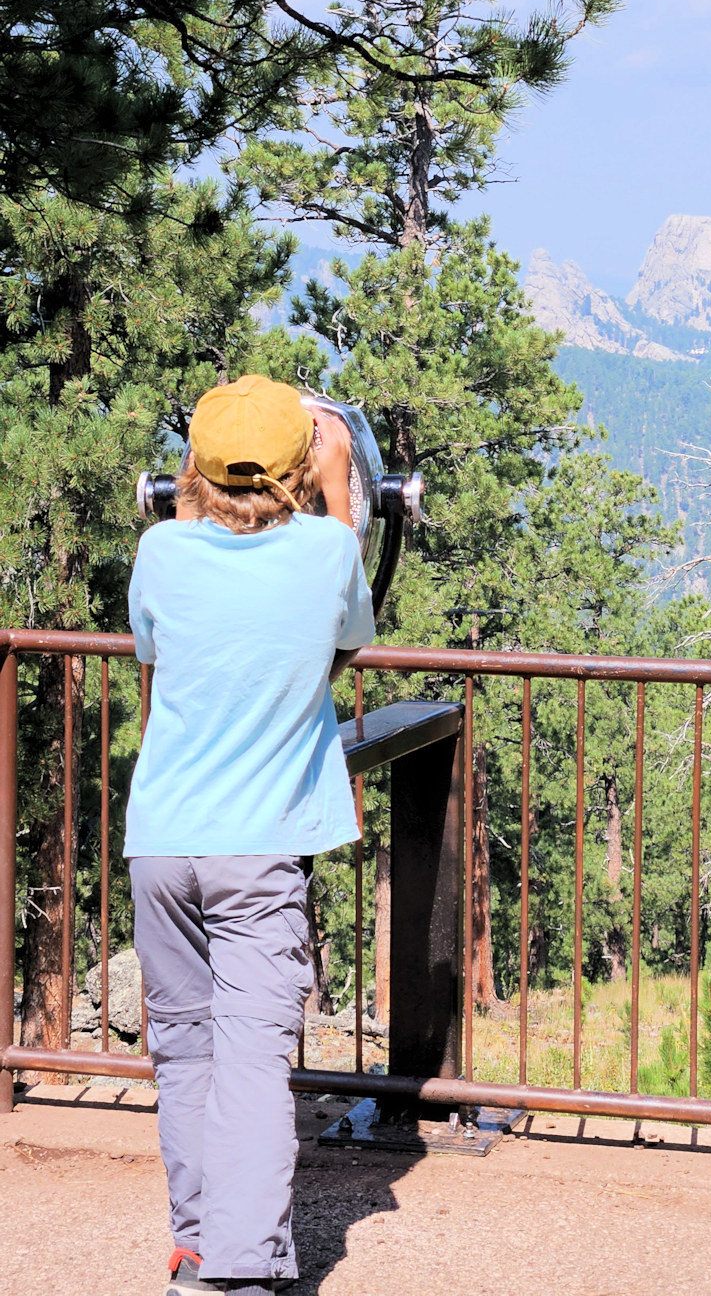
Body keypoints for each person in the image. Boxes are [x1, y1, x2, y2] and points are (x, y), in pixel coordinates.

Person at [124, 374, 375, 1295]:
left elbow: (154, 648)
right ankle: (241, 1270)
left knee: (186, 1054)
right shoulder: (323, 553)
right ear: (298, 467)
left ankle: (197, 1251)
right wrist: (340, 482)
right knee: (254, 1064)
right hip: (257, 849)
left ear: (194, 465)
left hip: (161, 842)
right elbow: (347, 633)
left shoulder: (160, 551)